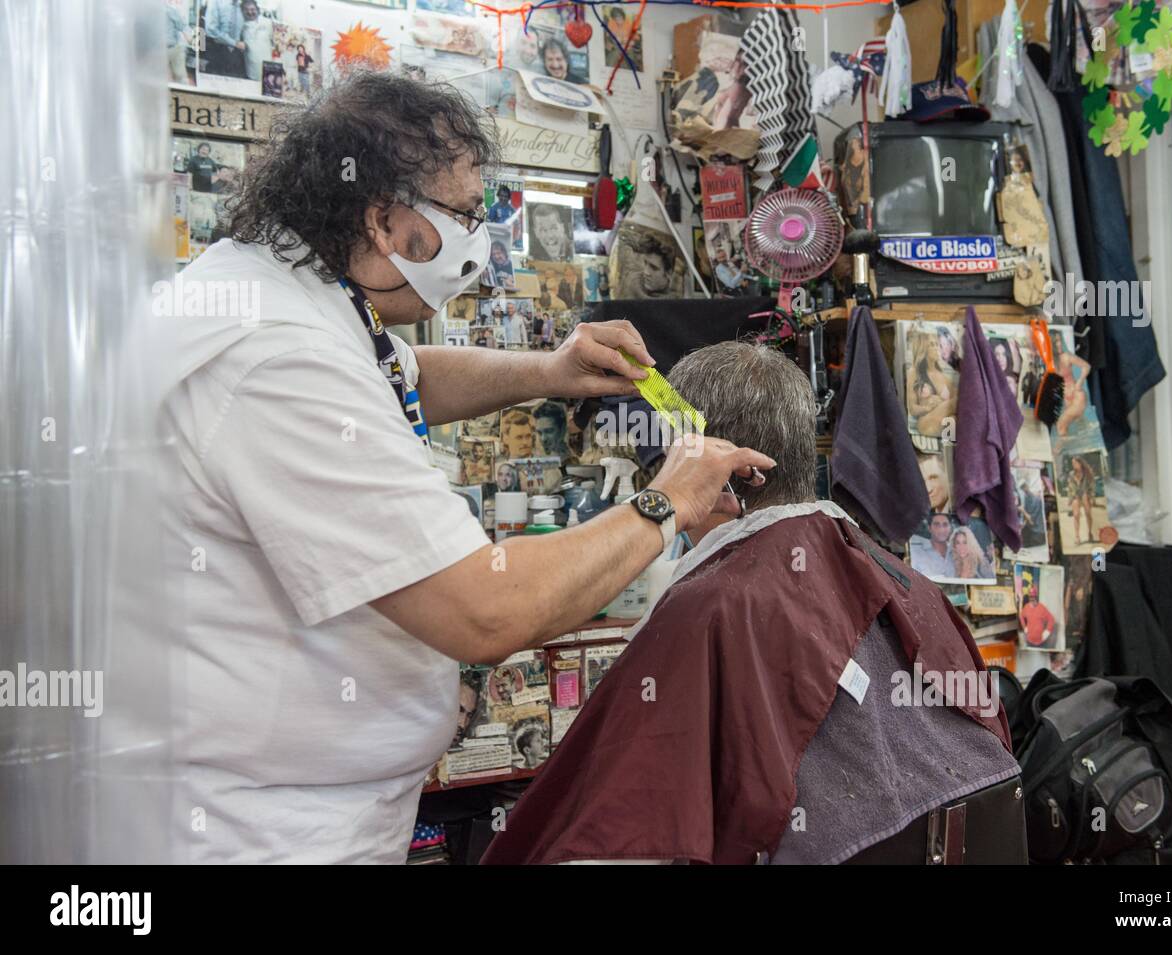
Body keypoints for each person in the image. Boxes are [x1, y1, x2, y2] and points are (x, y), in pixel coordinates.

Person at [156, 73, 772, 864]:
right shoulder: (276, 358)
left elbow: (402, 375)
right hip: (256, 833)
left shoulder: (293, 292)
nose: (479, 241)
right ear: (382, 217)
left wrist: (549, 370)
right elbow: (483, 607)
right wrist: (665, 502)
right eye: (464, 215)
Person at [480, 342, 1019, 865]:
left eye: (668, 461)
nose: (660, 477)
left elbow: (614, 837)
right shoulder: (907, 580)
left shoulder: (707, 611)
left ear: (728, 472)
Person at [202, 0, 245, 78]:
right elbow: (211, 29)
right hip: (218, 51)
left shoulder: (241, 6)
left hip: (236, 56)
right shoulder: (215, 2)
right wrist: (234, 43)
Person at [909, 511, 956, 579]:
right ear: (929, 528)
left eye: (945, 525)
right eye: (937, 525)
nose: (941, 529)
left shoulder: (958, 551)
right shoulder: (916, 550)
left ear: (950, 528)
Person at [1065, 455, 1096, 545]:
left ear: (1080, 463)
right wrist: (1070, 499)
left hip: (1085, 493)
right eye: (1072, 463)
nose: (1073, 465)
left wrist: (1092, 497)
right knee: (1076, 515)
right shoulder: (1071, 474)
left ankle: (1090, 532)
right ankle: (1077, 536)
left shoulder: (1087, 473)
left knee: (1088, 514)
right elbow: (1070, 487)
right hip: (1075, 494)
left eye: (1075, 463)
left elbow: (1092, 485)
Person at [239, 0, 272, 83]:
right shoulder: (241, 26)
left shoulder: (268, 23)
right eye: (246, 9)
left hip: (268, 68)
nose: (250, 12)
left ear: (257, 9)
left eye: (252, 9)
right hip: (251, 71)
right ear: (242, 11)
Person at [167, 3, 194, 84]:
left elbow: (183, 27)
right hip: (171, 48)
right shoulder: (169, 10)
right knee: (180, 78)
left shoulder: (170, 10)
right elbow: (183, 27)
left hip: (171, 48)